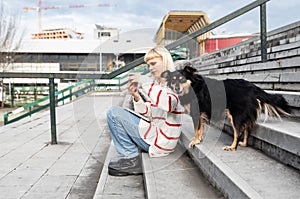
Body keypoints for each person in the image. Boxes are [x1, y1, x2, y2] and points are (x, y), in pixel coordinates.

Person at [106, 46, 184, 176]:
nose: (151, 68)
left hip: (162, 141)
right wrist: (136, 96)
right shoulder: (161, 85)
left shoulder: (176, 82)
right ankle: (129, 155)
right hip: (157, 133)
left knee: (114, 113)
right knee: (117, 113)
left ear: (164, 60)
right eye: (148, 65)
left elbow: (169, 104)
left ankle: (130, 158)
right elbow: (150, 113)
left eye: (153, 63)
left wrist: (144, 81)